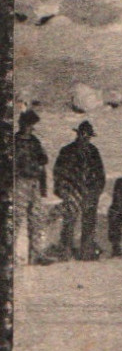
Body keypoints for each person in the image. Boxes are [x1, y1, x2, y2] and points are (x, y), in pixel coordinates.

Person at [54, 120, 105, 260]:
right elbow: (59, 173)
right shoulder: (67, 151)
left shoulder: (94, 152)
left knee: (89, 221)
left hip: (89, 192)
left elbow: (100, 175)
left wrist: (96, 192)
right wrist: (63, 190)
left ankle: (86, 251)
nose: (85, 138)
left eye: (88, 136)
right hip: (72, 191)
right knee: (69, 221)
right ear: (78, 134)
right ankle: (65, 251)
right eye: (83, 134)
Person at [13, 110, 51, 265]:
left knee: (37, 219)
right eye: (28, 124)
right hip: (19, 182)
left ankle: (36, 254)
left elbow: (43, 161)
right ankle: (9, 255)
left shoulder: (35, 141)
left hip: (34, 182)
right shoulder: (13, 142)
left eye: (32, 125)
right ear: (21, 124)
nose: (30, 128)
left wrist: (42, 186)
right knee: (15, 219)